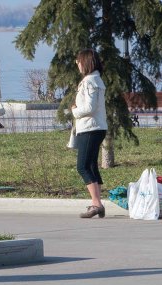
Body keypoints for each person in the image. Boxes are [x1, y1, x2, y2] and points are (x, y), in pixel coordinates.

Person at [71, 48, 107, 220]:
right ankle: (97, 203)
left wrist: (75, 111)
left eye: (78, 61)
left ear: (85, 62)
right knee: (91, 165)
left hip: (90, 127)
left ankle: (97, 204)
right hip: (95, 127)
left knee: (82, 166)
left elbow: (90, 108)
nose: (77, 64)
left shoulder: (89, 81)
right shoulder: (96, 80)